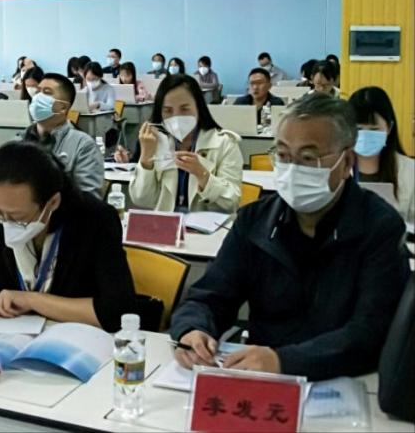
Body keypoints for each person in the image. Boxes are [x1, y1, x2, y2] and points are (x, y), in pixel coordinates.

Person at [170, 93, 407, 380]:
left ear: (346, 163)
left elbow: (371, 331)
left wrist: (285, 361)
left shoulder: (380, 227)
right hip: (261, 379)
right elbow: (210, 296)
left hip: (346, 381)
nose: (293, 168)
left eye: (308, 158)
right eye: (283, 155)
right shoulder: (255, 221)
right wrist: (193, 329)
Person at [0, 142, 137, 332]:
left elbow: (116, 311)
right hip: (12, 338)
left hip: (77, 340)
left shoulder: (95, 219)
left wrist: (31, 300)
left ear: (52, 202)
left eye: (17, 217)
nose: (5, 222)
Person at [128, 74, 242, 213]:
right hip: (166, 223)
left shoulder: (225, 143)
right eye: (168, 110)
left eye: (184, 109)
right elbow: (141, 199)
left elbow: (231, 203)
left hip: (207, 225)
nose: (176, 117)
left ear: (198, 107)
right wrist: (146, 157)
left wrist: (202, 174)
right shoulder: (156, 141)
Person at [22, 73, 104, 197]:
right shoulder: (19, 140)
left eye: (46, 92)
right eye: (38, 91)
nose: (38, 97)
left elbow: (89, 200)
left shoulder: (83, 146)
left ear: (63, 108)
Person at [348, 86, 413, 215]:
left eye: (374, 129)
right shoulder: (333, 168)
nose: (365, 135)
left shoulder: (410, 171)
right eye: (358, 129)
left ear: (389, 128)